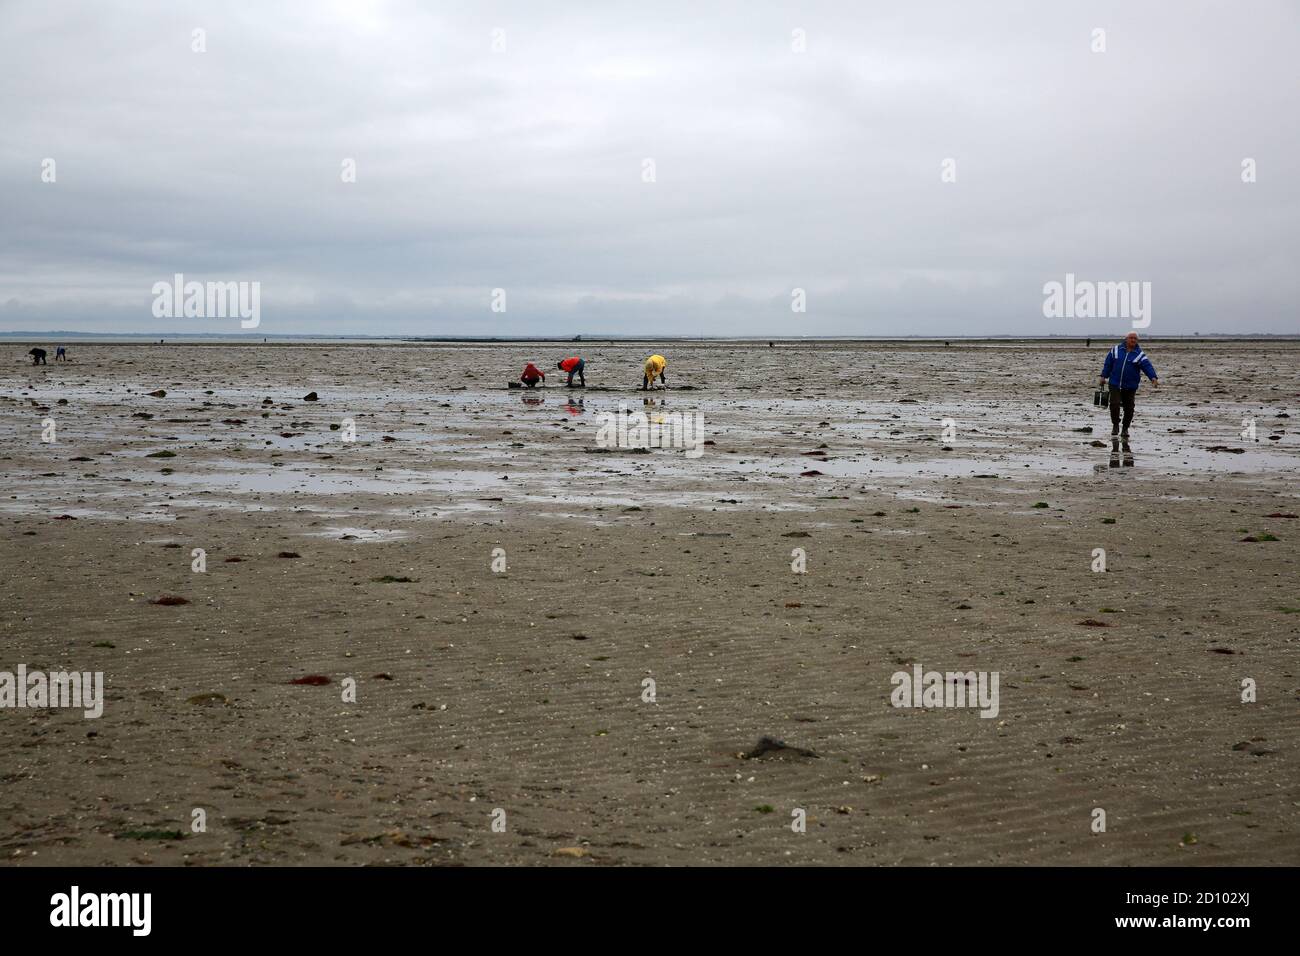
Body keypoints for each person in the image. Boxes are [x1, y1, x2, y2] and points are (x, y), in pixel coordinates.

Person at [1099, 332, 1158, 437]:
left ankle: (1125, 429)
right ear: (1126, 339)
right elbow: (1108, 364)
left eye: (1135, 339)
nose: (1133, 340)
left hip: (1130, 386)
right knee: (1114, 404)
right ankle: (1115, 425)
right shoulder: (1115, 350)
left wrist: (1153, 377)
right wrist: (1103, 376)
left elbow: (1147, 366)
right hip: (1115, 384)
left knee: (1129, 408)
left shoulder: (1139, 354)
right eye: (1131, 338)